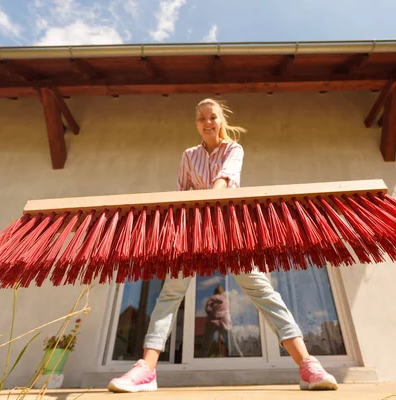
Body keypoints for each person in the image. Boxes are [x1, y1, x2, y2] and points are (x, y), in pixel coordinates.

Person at [107, 98, 338, 393]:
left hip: (229, 229)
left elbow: (225, 180)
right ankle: (145, 369)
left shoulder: (233, 149)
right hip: (194, 230)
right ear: (196, 123)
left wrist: (208, 200)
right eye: (201, 118)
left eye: (212, 117)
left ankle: (307, 365)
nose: (207, 122)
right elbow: (182, 194)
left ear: (221, 120)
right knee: (170, 293)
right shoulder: (188, 156)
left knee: (261, 290)